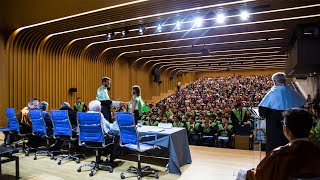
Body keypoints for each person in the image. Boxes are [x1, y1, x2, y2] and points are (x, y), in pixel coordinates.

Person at [242, 108, 320, 180]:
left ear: (286, 129)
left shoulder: (279, 155)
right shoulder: (317, 152)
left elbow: (259, 177)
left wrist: (243, 174)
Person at [258, 72, 306, 153]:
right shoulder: (293, 92)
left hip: (275, 130)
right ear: (285, 80)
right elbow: (302, 107)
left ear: (274, 82)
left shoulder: (272, 93)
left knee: (275, 151)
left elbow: (262, 112)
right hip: (292, 130)